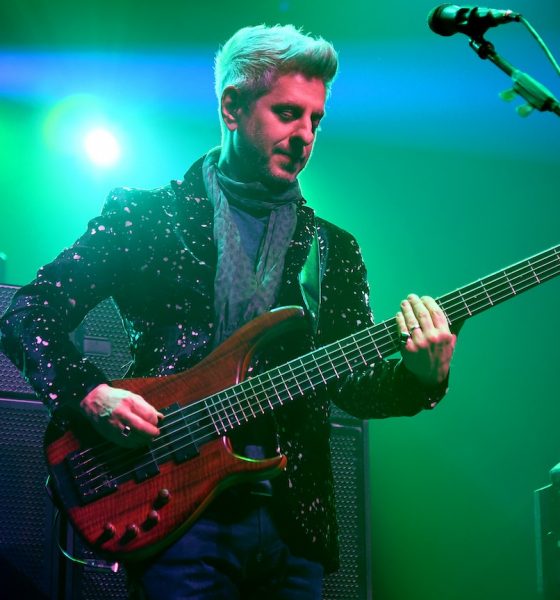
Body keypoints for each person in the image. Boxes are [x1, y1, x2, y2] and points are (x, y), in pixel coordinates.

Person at [0, 24, 456, 599]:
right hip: (175, 509)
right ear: (233, 106)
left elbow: (353, 389)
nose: (305, 135)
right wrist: (92, 394)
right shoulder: (149, 217)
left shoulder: (333, 248)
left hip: (293, 521)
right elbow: (29, 314)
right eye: (289, 112)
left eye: (316, 120)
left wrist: (422, 378)